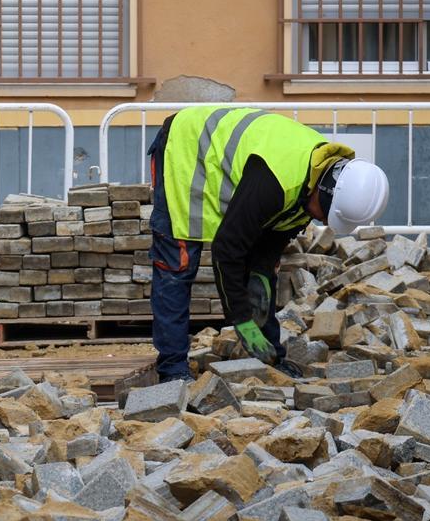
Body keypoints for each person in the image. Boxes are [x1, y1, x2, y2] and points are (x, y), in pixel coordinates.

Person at [147, 105, 390, 382]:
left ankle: (270, 357)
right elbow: (226, 251)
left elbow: (269, 244)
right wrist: (240, 319)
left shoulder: (316, 179)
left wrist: (261, 275)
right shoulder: (276, 181)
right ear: (324, 196)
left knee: (260, 276)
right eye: (326, 214)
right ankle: (173, 369)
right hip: (185, 147)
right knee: (178, 263)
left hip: (233, 162)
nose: (322, 221)